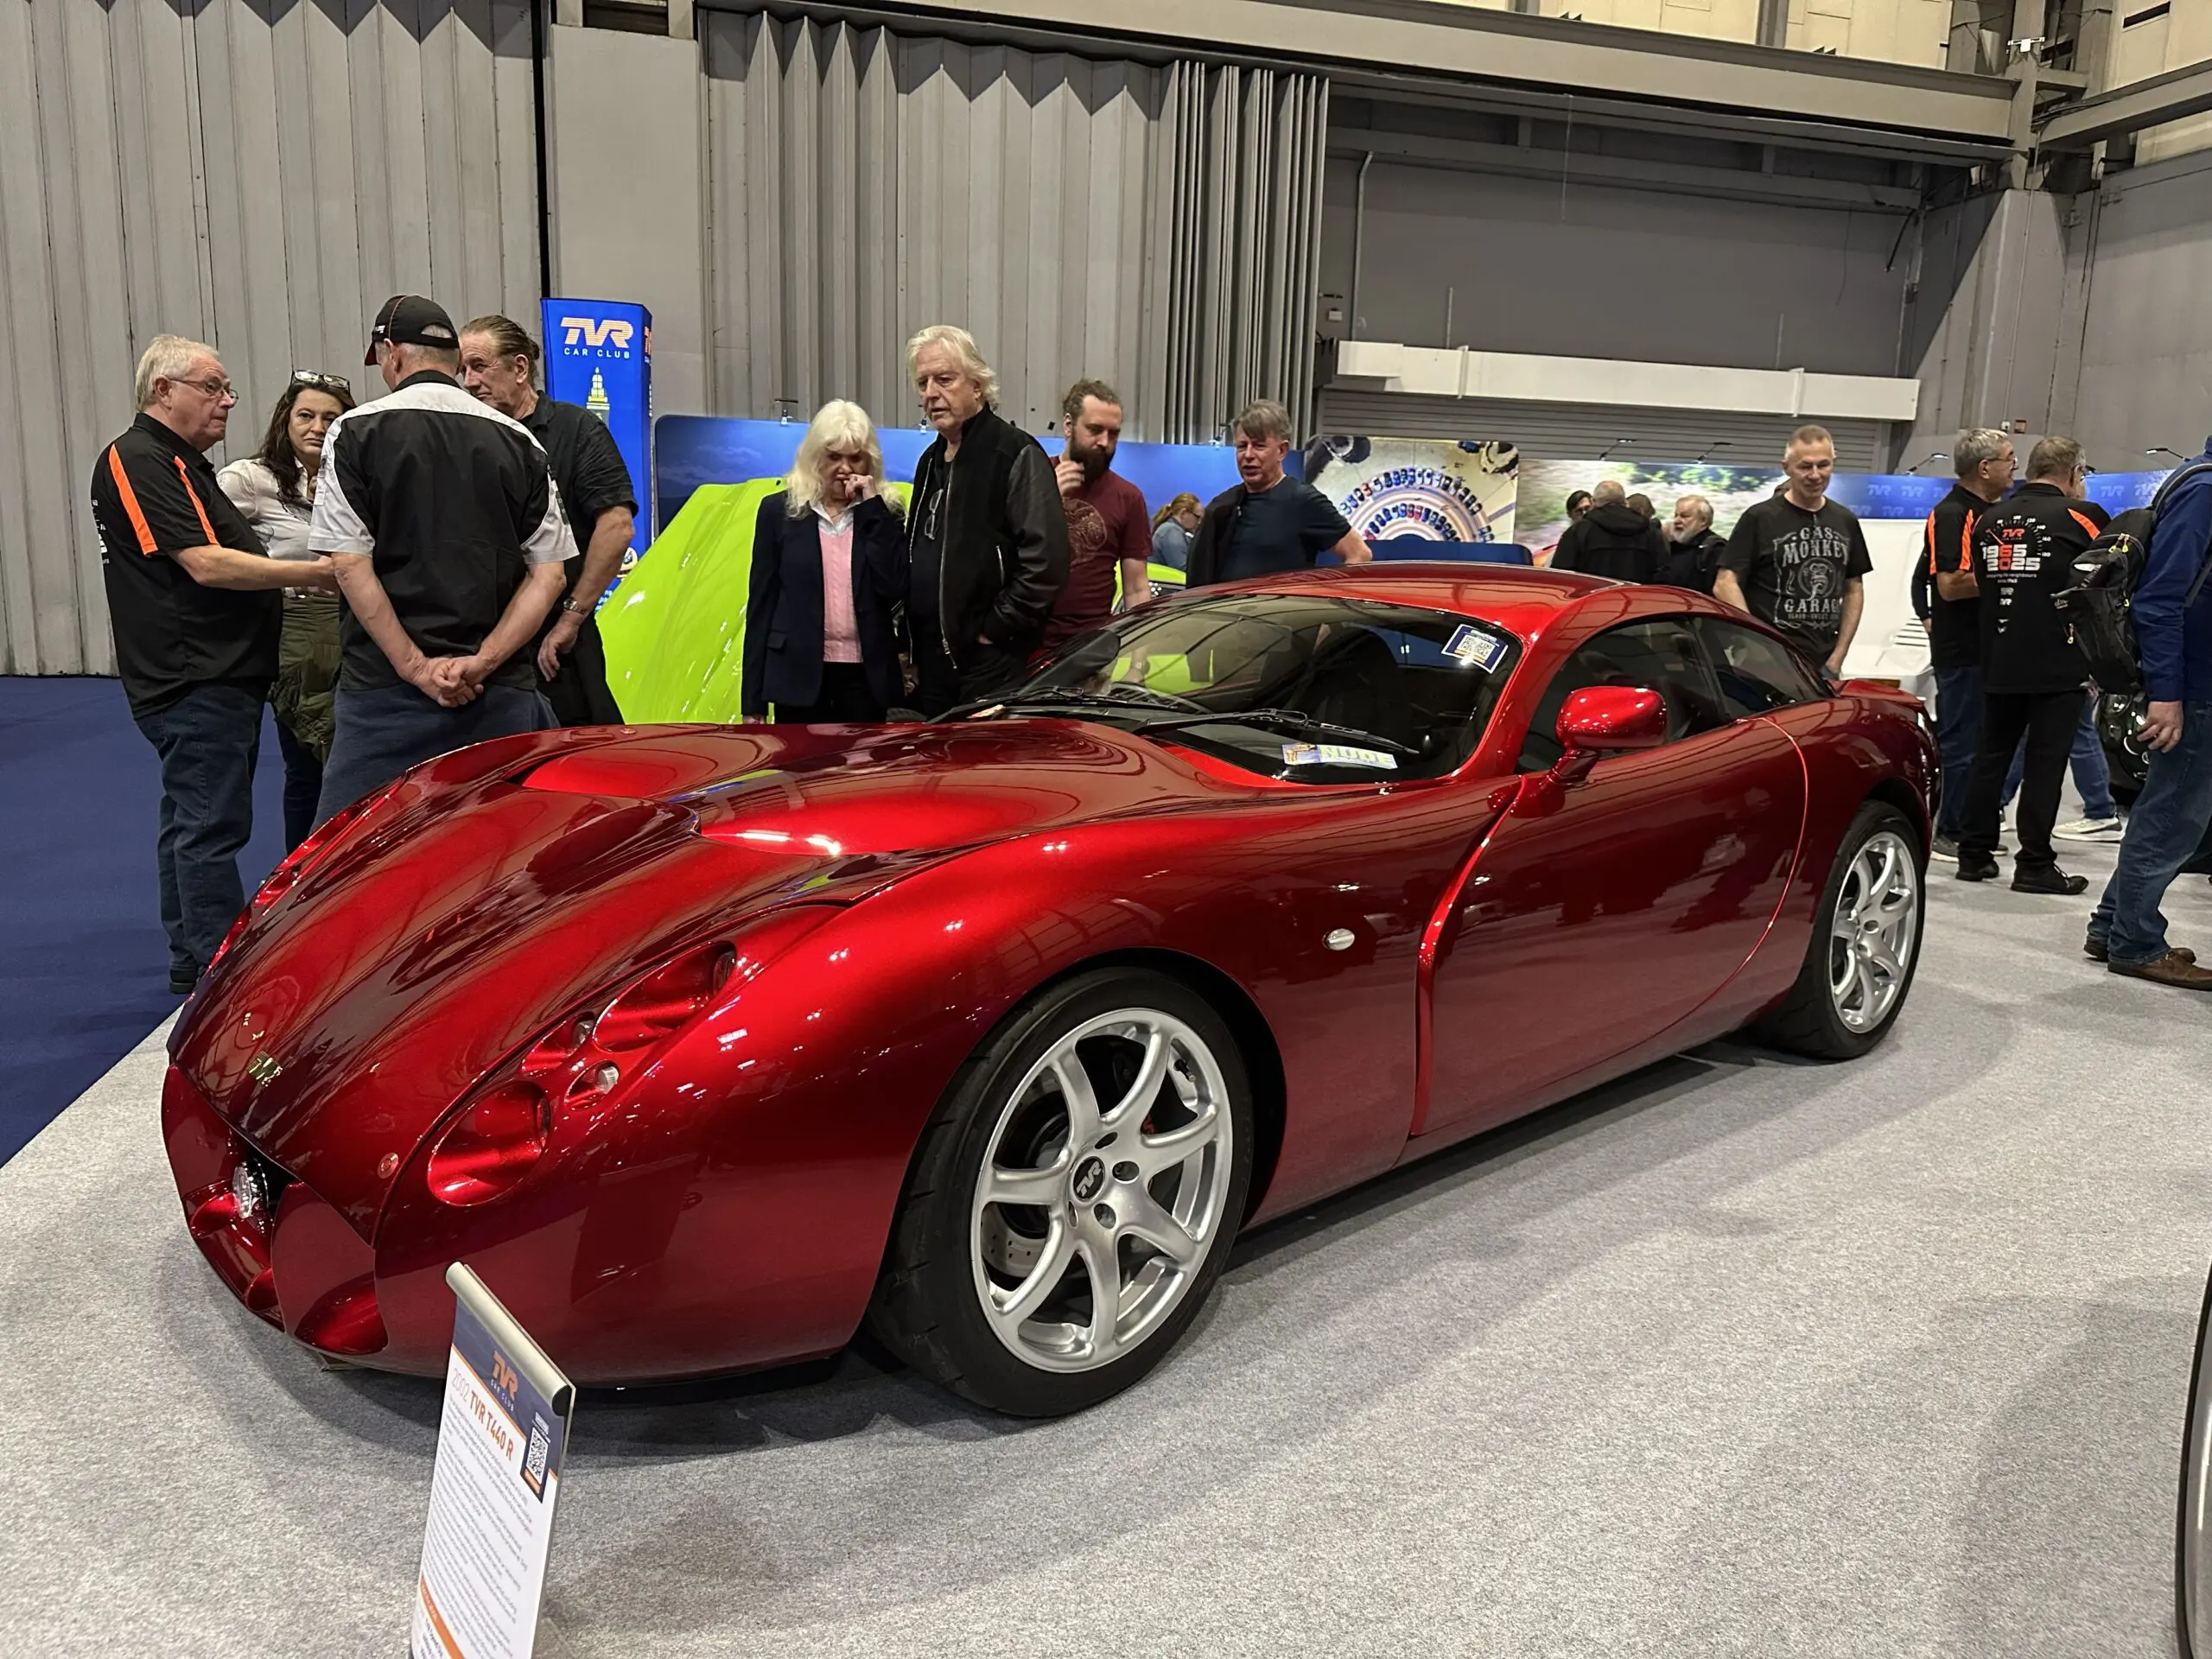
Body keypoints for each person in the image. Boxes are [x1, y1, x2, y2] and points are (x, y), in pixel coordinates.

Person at [90, 335, 338, 993]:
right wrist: (313, 575)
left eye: (226, 388)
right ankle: (217, 967)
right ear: (162, 390)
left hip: (213, 672)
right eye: (211, 386)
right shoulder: (139, 458)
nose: (227, 400)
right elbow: (202, 561)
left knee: (191, 816)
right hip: (194, 673)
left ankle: (190, 952)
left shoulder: (181, 462)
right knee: (210, 822)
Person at [311, 295, 573, 823]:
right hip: (496, 693)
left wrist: (416, 668)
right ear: (455, 361)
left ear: (392, 354)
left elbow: (349, 564)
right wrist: (484, 661)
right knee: (506, 848)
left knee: (351, 857)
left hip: (384, 693)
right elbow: (550, 573)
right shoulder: (520, 440)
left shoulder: (355, 431)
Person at [458, 315, 635, 726]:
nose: (468, 382)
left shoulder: (576, 430)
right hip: (483, 644)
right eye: (462, 370)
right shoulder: (466, 438)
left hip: (557, 645)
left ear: (520, 368)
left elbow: (617, 526)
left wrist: (572, 617)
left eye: (479, 367)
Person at [2086, 435, 2212, 988]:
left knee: (2180, 814)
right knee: (2170, 816)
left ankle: (2113, 924)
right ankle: (2135, 943)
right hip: (2195, 686)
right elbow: (2161, 600)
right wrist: (2166, 694)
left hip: (2196, 682)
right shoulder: (2205, 490)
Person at [1954, 437, 2103, 894]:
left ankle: (1973, 854)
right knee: (2045, 761)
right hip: (2058, 658)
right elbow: (2107, 587)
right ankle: (2034, 864)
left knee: (1990, 755)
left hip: (1998, 655)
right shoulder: (2084, 517)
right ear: (2073, 472)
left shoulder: (1987, 519)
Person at [218, 371, 356, 850]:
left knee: (356, 763)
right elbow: (211, 553)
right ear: (286, 419)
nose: (317, 426)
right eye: (306, 415)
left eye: (331, 417)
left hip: (360, 629)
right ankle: (301, 877)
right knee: (306, 764)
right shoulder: (248, 480)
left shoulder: (359, 478)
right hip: (293, 632)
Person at [901, 324, 1070, 715]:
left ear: (977, 385)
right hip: (932, 669)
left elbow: (1046, 565)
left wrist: (992, 630)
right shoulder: (929, 461)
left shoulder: (1014, 454)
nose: (930, 393)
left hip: (989, 670)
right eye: (923, 382)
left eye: (944, 379)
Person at [741, 400, 907, 722]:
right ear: (815, 458)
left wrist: (873, 510)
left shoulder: (886, 513)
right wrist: (753, 702)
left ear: (869, 461)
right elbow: (761, 605)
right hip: (796, 679)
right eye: (834, 457)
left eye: (855, 457)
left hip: (866, 681)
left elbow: (895, 586)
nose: (845, 468)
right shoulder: (778, 512)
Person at [1922, 429, 2018, 860]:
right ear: (1985, 467)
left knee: (1988, 743)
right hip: (1963, 652)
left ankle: (1975, 826)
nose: (2014, 466)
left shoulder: (1993, 512)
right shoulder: (1955, 514)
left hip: (1991, 650)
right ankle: (1950, 829)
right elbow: (1950, 584)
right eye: (2009, 458)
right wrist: (2013, 576)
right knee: (1961, 744)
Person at [1715, 423, 1872, 674]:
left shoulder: (1846, 521)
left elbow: (1854, 588)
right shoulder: (1760, 518)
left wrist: (1839, 655)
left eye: (1823, 465)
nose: (1815, 475)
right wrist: (1757, 640)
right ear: (1786, 467)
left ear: (1834, 461)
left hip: (1824, 663)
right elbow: (1724, 583)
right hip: (1766, 663)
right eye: (1805, 466)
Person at [1185, 400, 1373, 587]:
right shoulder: (1223, 506)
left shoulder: (1303, 500)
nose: (1248, 455)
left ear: (1281, 451)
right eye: (1242, 446)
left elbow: (1360, 554)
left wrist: (1324, 601)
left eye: (1259, 446)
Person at [1046, 378, 1153, 646]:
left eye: (1113, 433)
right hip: (1022, 645)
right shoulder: (1032, 478)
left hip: (1088, 648)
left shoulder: (1128, 497)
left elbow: (1137, 588)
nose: (1105, 442)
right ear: (1068, 425)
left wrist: (1138, 663)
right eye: (1095, 430)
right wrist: (1047, 498)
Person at [1550, 480, 1662, 582]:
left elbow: (1561, 575)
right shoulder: (1650, 531)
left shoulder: (1579, 531)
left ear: (1594, 502)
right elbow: (1662, 573)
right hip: (1637, 600)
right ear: (1624, 501)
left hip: (1592, 601)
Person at [1659, 494, 1726, 594]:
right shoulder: (1672, 546)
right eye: (1676, 515)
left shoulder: (1716, 550)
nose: (1677, 521)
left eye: (1684, 516)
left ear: (1703, 520)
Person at [1151, 493, 1201, 572]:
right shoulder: (1171, 532)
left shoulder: (1171, 529)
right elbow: (1183, 569)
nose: (1199, 522)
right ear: (1183, 513)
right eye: (1197, 517)